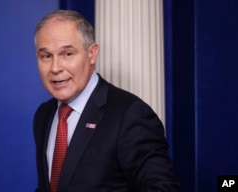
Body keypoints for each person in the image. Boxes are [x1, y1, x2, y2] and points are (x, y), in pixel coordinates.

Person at [33, 10, 180, 192]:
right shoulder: (44, 115)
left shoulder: (129, 114)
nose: (55, 68)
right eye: (46, 56)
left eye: (68, 54)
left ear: (92, 54)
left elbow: (162, 188)